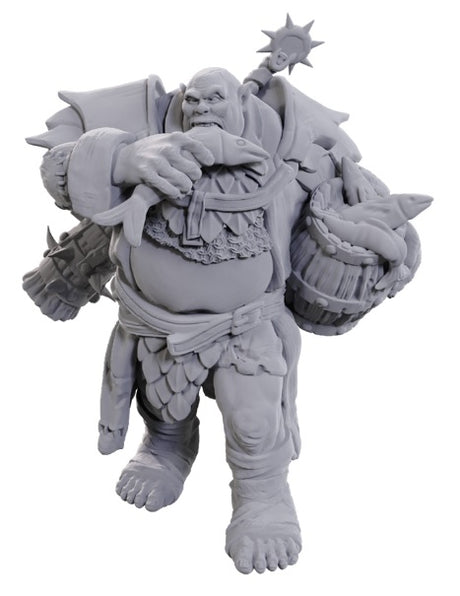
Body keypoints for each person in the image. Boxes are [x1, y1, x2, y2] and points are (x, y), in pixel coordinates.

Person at [24, 63, 430, 573]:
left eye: (215, 99)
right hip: (156, 328)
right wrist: (124, 158)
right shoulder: (148, 148)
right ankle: (168, 448)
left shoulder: (289, 159)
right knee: (164, 408)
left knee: (255, 423)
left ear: (243, 104)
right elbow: (60, 172)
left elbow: (354, 206)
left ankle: (262, 496)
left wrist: (370, 241)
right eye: (192, 100)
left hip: (247, 328)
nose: (201, 109)